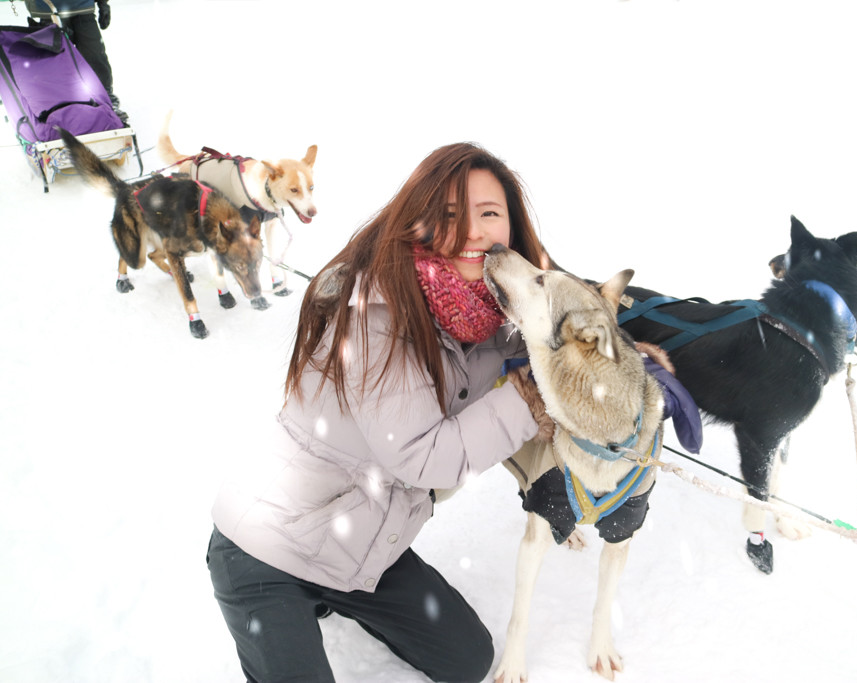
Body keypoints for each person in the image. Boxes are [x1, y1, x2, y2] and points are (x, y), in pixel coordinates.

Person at [207, 142, 554, 683]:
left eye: (489, 214)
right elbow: (424, 458)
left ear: (512, 227)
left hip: (357, 546)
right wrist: (534, 397)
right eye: (450, 215)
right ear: (419, 222)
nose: (473, 232)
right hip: (266, 545)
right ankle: (285, 611)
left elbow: (560, 316)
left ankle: (335, 597)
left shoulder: (486, 311)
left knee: (466, 662)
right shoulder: (377, 313)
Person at [25, 0, 127, 123]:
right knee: (52, 62)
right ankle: (54, 108)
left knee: (95, 56)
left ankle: (105, 100)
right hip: (47, 10)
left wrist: (102, 3)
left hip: (83, 8)